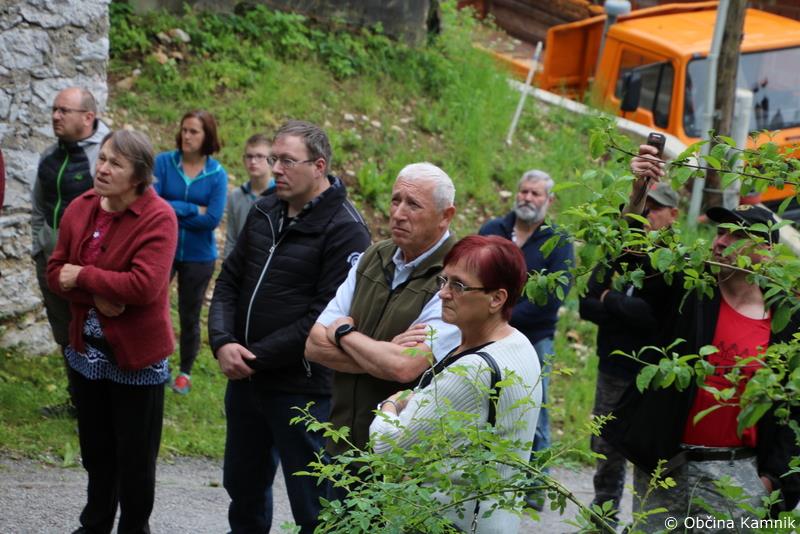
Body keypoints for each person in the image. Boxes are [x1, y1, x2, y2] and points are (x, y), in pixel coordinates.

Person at [603, 144, 800, 530]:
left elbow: (794, 411)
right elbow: (632, 253)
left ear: (766, 252)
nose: (720, 241)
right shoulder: (692, 288)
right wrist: (639, 191)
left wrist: (774, 482)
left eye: (734, 235)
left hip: (737, 474)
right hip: (668, 465)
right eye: (719, 232)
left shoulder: (787, 322)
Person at [208, 120, 370, 533]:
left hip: (302, 389)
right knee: (242, 486)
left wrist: (253, 356)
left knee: (313, 503)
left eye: (286, 160)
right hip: (246, 380)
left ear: (318, 166)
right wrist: (223, 341)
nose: (275, 168)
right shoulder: (264, 210)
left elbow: (323, 316)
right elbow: (228, 281)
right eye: (274, 158)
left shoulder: (346, 229)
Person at [46, 129, 178, 533]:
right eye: (102, 158)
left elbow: (143, 286)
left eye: (115, 163)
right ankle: (95, 525)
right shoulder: (81, 207)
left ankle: (134, 529)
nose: (102, 168)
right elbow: (55, 273)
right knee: (97, 453)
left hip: (136, 360)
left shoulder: (158, 217)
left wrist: (83, 277)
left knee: (135, 461)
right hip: (85, 355)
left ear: (139, 176)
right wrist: (96, 294)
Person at [369, 235, 542, 532]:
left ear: (496, 299)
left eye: (458, 286)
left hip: (447, 522)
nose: (443, 294)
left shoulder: (472, 371)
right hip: (496, 519)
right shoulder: (520, 344)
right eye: (444, 280)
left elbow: (389, 448)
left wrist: (390, 405)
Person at [306, 162, 462, 458]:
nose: (398, 213)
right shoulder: (374, 256)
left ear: (445, 216)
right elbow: (313, 345)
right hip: (340, 444)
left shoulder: (455, 277)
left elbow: (404, 366)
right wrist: (383, 354)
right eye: (395, 200)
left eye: (413, 204)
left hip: (399, 459)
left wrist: (343, 333)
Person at [579, 181, 679, 519]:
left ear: (673, 214)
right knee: (605, 442)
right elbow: (586, 304)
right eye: (642, 208)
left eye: (655, 209)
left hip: (650, 371)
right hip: (612, 364)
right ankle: (604, 511)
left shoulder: (673, 260)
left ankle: (646, 519)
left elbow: (653, 318)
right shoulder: (618, 250)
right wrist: (621, 307)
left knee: (645, 448)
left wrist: (610, 298)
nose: (646, 215)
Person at [478, 169, 574, 506]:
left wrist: (498, 317)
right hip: (486, 339)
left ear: (549, 200)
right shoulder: (493, 230)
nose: (527, 198)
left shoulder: (558, 241)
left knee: (535, 413)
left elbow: (552, 298)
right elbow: (475, 275)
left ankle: (534, 489)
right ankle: (484, 481)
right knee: (482, 408)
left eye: (535, 193)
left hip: (534, 340)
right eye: (523, 191)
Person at [31, 87, 110, 418]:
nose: (55, 116)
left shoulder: (107, 157)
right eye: (54, 109)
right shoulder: (50, 155)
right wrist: (40, 246)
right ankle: (78, 401)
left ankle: (103, 404)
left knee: (96, 332)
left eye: (64, 110)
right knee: (66, 333)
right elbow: (39, 205)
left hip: (90, 270)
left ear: (88, 117)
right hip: (51, 263)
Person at [154, 110, 228, 395]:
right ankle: (157, 364)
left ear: (207, 136)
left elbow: (212, 219)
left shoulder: (217, 174)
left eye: (194, 131)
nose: (187, 136)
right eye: (184, 130)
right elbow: (152, 204)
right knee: (154, 306)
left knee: (189, 315)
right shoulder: (163, 163)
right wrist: (192, 209)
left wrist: (170, 210)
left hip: (199, 256)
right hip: (163, 250)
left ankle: (184, 372)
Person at [223, 133, 274, 258]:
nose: (253, 161)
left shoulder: (281, 195)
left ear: (272, 160)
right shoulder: (236, 196)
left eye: (260, 156)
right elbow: (231, 239)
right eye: (249, 156)